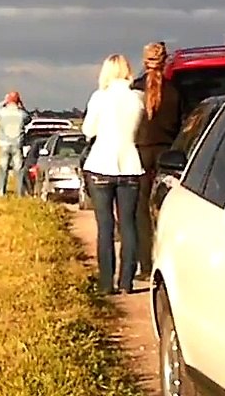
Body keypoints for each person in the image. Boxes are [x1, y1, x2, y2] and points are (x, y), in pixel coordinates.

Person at [81, 54, 146, 295]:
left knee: (105, 226)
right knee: (128, 225)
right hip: (130, 164)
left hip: (101, 164)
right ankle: (126, 280)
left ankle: (106, 283)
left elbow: (88, 130)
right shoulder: (138, 99)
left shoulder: (100, 97)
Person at [131, 41, 183, 280]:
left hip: (140, 152)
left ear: (145, 61)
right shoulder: (174, 91)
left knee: (140, 210)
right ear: (165, 60)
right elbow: (180, 125)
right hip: (166, 153)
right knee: (165, 208)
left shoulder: (136, 90)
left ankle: (145, 264)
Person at [0, 92, 32, 196]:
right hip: (17, 143)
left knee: (3, 169)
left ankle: (1, 193)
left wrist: (4, 101)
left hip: (4, 143)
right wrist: (22, 106)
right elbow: (29, 119)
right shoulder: (22, 114)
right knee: (18, 170)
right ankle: (19, 193)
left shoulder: (2, 112)